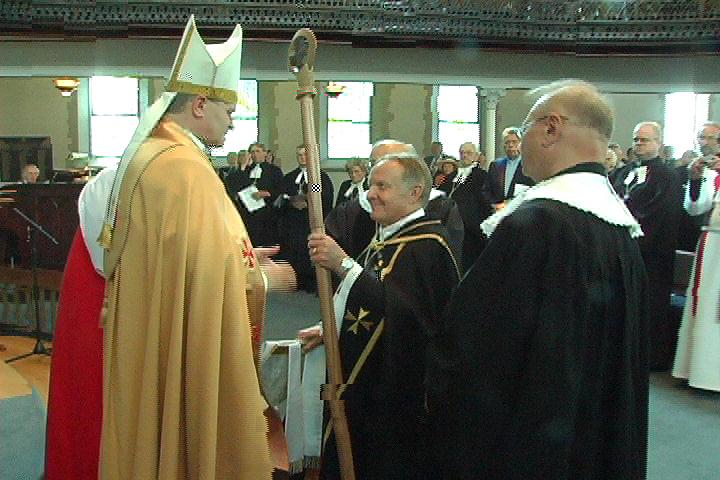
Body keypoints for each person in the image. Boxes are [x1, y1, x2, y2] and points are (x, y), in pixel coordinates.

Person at [433, 80, 648, 480]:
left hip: (534, 443)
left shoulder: (537, 225)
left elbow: (477, 345)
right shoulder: (621, 230)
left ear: (551, 128)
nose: (522, 139)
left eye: (525, 128)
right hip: (592, 440)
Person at [97, 16, 278, 479]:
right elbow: (203, 267)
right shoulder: (183, 168)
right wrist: (258, 276)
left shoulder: (156, 154)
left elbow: (185, 254)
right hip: (178, 326)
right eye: (229, 110)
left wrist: (240, 255)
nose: (233, 121)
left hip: (152, 326)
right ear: (199, 104)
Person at [307, 152, 460, 479]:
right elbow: (365, 302)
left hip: (397, 392)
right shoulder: (384, 240)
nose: (371, 194)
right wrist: (329, 327)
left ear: (415, 193)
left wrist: (344, 265)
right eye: (371, 185)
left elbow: (407, 317)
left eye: (382, 186)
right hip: (367, 384)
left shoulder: (428, 247)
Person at [45, 166, 115, 480]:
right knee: (89, 397)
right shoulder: (113, 185)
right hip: (101, 303)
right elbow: (107, 257)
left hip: (97, 300)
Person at [615, 121, 682, 370]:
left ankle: (649, 358)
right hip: (625, 250)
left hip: (652, 253)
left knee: (649, 305)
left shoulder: (667, 176)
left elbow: (661, 213)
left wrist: (631, 230)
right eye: (636, 139)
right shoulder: (625, 171)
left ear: (658, 143)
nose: (639, 144)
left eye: (644, 140)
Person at [673, 184, 720, 391]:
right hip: (712, 246)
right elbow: (696, 208)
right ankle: (697, 371)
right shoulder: (713, 179)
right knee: (704, 308)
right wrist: (696, 181)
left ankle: (711, 376)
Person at [277, 144, 334, 292]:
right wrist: (291, 201)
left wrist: (307, 202)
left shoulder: (318, 177)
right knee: (293, 251)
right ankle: (294, 280)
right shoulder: (290, 177)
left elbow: (323, 196)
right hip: (293, 222)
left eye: (305, 155)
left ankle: (311, 282)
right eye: (299, 155)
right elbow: (282, 196)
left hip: (310, 221)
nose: (302, 158)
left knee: (310, 251)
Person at [439, 142, 494, 272]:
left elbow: (485, 201)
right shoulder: (453, 175)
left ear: (476, 156)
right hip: (449, 225)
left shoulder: (482, 175)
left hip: (470, 228)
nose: (464, 155)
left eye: (468, 153)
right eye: (462, 152)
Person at [224, 141, 284, 246]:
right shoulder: (246, 170)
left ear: (265, 153)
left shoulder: (274, 170)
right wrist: (243, 166)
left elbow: (280, 188)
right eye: (252, 152)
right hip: (248, 213)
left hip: (266, 213)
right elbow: (233, 183)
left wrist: (267, 193)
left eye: (258, 151)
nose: (255, 154)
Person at [484, 127, 535, 208]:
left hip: (520, 211)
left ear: (521, 143)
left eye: (514, 142)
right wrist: (494, 205)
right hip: (497, 212)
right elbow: (486, 191)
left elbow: (533, 191)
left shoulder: (530, 165)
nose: (510, 145)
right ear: (503, 145)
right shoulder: (495, 165)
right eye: (507, 142)